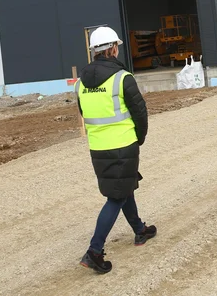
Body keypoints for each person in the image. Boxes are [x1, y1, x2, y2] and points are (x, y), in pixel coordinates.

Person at [76, 26, 156, 274]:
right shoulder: (123, 78)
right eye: (117, 46)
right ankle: (94, 251)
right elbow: (139, 112)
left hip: (98, 148)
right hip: (123, 145)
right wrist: (139, 138)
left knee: (123, 187)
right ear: (112, 49)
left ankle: (139, 229)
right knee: (116, 196)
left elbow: (83, 112)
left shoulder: (80, 83)